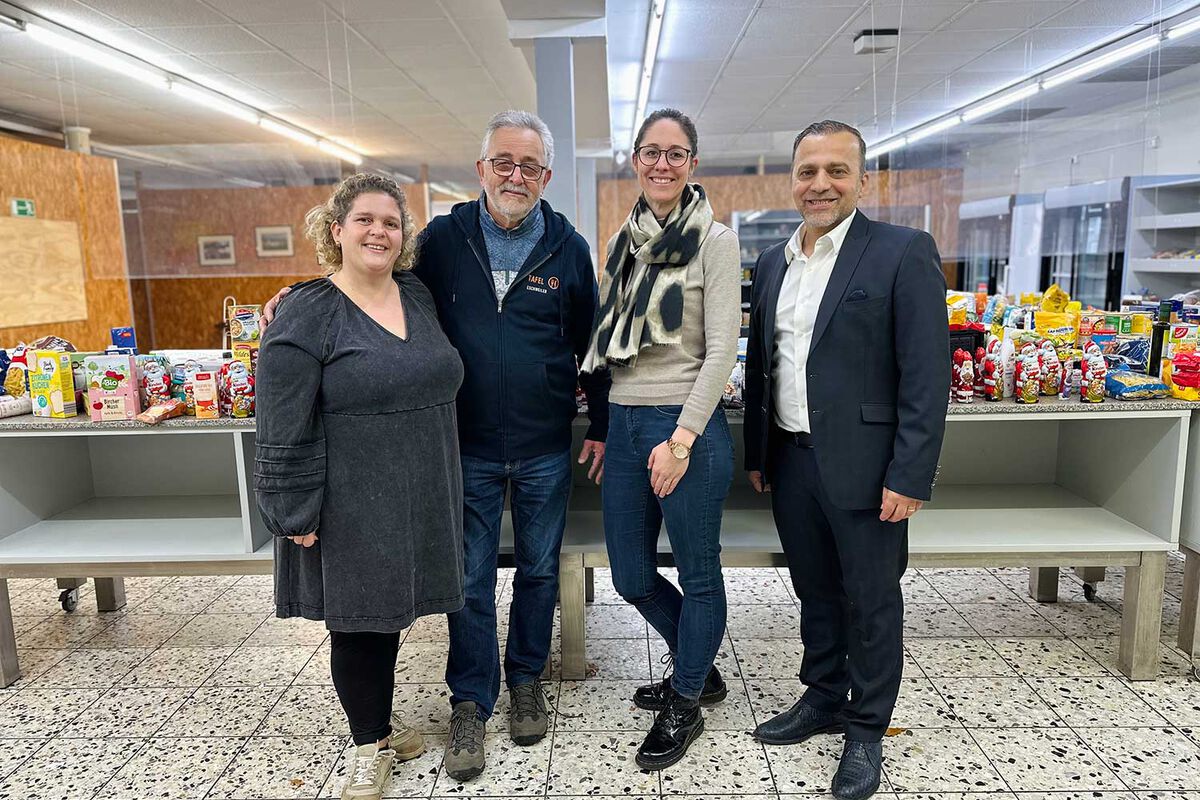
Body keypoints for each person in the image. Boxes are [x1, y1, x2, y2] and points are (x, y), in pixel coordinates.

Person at [262, 110, 609, 782]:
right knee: (469, 583)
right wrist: (297, 295)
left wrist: (597, 423)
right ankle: (471, 702)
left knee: (539, 572)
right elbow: (364, 286)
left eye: (529, 166)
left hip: (542, 445)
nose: (515, 175)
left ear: (546, 176)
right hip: (466, 449)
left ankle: (527, 680)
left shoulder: (567, 247)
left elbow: (589, 343)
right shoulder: (445, 241)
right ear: (481, 169)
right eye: (503, 162)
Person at [743, 120, 950, 800]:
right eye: (808, 171)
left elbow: (926, 374)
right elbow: (763, 363)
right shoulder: (774, 261)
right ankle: (823, 696)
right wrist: (758, 452)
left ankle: (866, 731)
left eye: (837, 170)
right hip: (793, 462)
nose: (820, 183)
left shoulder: (900, 252)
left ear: (863, 180)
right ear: (792, 179)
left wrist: (910, 474)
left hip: (868, 468)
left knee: (871, 602)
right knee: (816, 594)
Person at [254, 173, 465, 800]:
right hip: (349, 498)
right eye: (365, 220)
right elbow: (280, 419)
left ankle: (377, 721)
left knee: (390, 616)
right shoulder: (307, 312)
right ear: (336, 229)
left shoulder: (417, 295)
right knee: (358, 623)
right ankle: (367, 744)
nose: (379, 231)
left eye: (391, 223)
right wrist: (293, 509)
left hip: (421, 489)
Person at [581, 107, 739, 771]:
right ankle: (699, 667)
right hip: (624, 424)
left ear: (692, 164)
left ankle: (686, 697)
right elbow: (611, 347)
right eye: (651, 152)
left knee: (698, 572)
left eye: (675, 153)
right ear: (637, 161)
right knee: (632, 574)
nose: (662, 163)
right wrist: (600, 424)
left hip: (686, 427)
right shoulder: (623, 241)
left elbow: (722, 348)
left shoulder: (717, 241)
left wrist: (680, 440)